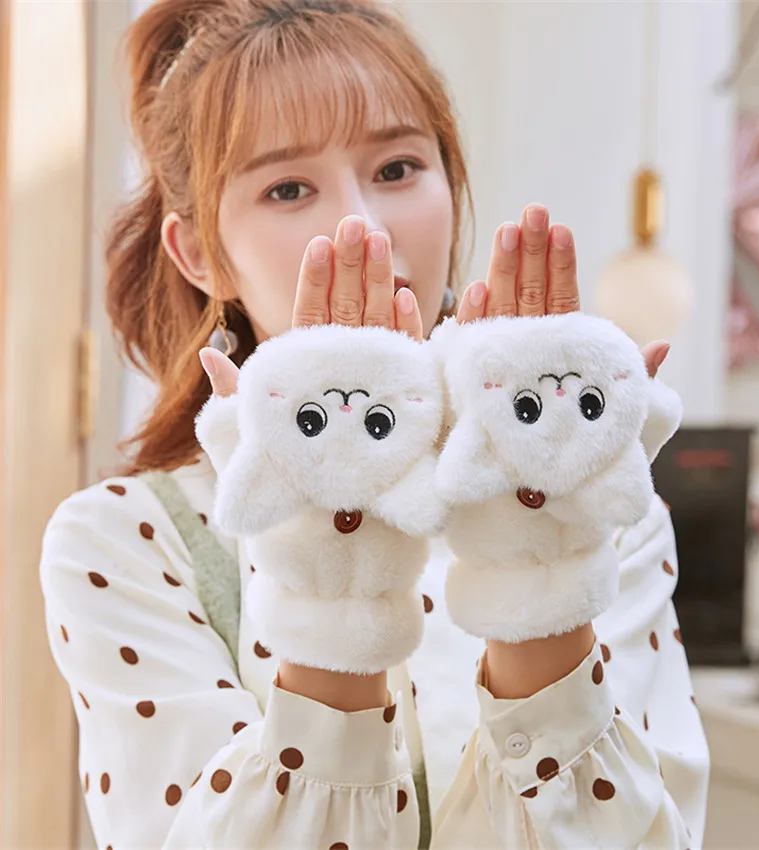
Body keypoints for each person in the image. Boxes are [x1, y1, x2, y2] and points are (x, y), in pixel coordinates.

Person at [39, 1, 710, 847]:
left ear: (451, 189)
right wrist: (336, 584)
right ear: (200, 254)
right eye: (287, 188)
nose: (364, 226)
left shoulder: (607, 510)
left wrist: (538, 566)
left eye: (397, 168)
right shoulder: (122, 544)